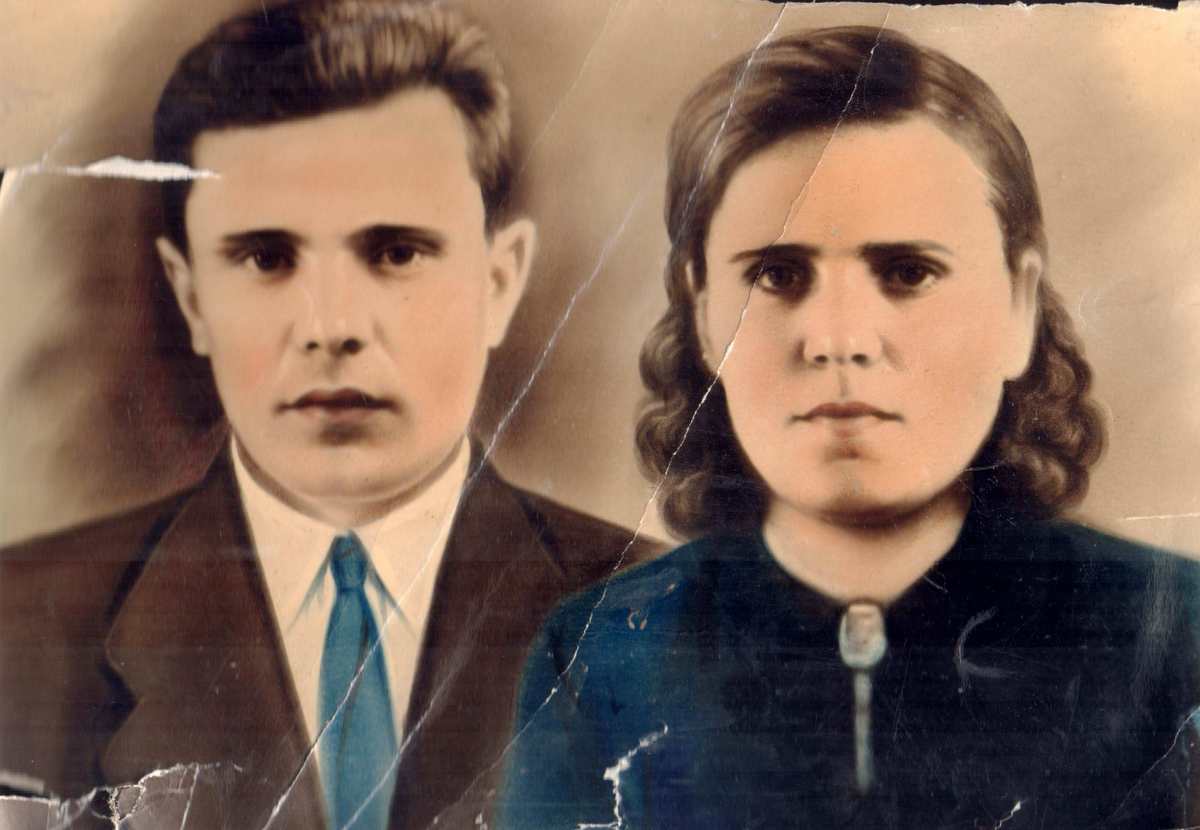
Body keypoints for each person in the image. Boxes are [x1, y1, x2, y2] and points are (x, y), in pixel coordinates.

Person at [500, 26, 1200, 829]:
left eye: (907, 272)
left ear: (1018, 304)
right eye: (777, 274)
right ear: (702, 312)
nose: (837, 338)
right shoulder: (601, 657)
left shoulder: (1175, 640)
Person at [0, 3, 657, 829]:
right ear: (191, 296)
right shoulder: (17, 634)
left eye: (395, 252)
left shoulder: (669, 621)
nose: (332, 326)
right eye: (267, 258)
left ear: (500, 280)